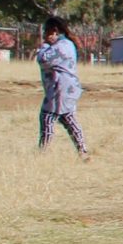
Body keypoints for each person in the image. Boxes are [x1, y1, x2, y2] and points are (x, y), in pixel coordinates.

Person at [35, 16, 89, 158]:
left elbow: (43, 60)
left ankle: (43, 152)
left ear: (54, 31)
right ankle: (83, 152)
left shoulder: (62, 46)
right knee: (68, 118)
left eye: (46, 32)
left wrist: (45, 45)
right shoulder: (66, 44)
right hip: (65, 89)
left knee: (47, 117)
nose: (45, 36)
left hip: (60, 90)